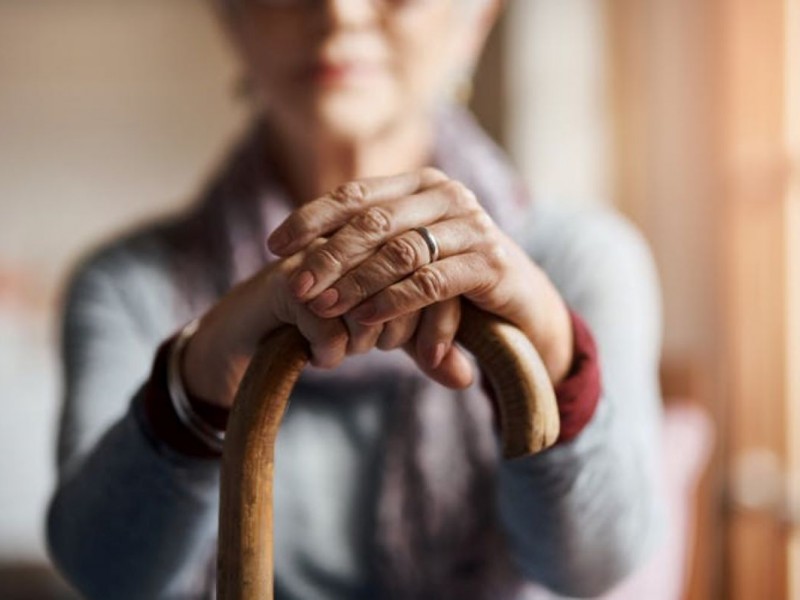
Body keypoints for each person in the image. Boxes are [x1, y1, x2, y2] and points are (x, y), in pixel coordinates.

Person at [46, 1, 664, 598]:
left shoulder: (582, 260)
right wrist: (196, 379)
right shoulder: (128, 283)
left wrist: (550, 356)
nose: (339, 11)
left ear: (473, 21)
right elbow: (106, 576)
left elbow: (594, 569)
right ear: (231, 18)